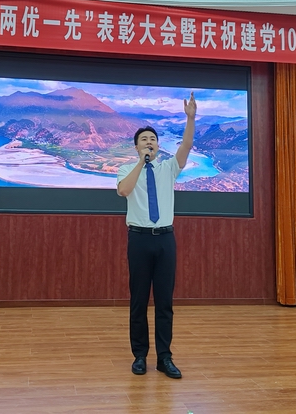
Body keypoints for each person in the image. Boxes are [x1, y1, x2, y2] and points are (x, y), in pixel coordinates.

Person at [116, 91, 196, 379]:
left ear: (159, 146)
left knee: (164, 302)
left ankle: (165, 357)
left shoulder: (168, 168)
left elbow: (186, 145)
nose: (149, 142)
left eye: (152, 139)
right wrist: (141, 162)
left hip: (165, 239)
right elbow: (124, 191)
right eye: (144, 140)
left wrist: (190, 118)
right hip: (139, 239)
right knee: (139, 300)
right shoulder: (127, 169)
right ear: (136, 146)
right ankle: (140, 356)